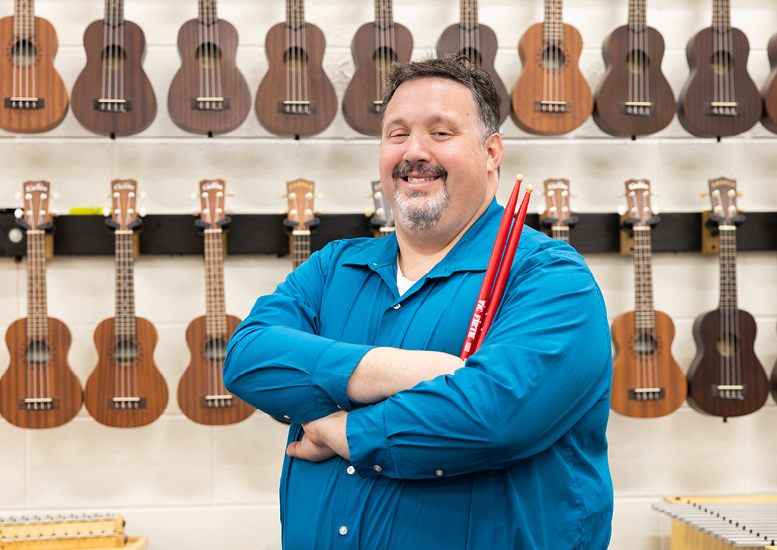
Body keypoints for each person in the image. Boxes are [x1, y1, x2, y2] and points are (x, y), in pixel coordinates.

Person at [223, 54, 613, 550]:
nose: (414, 152)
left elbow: (492, 419)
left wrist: (335, 428)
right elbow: (247, 357)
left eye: (441, 132)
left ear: (492, 152)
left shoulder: (550, 279)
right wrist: (397, 371)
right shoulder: (332, 268)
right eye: (397, 133)